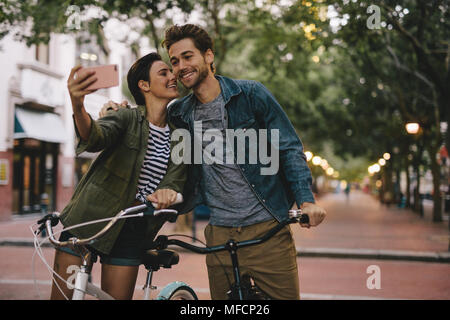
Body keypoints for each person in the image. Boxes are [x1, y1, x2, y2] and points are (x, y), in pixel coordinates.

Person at [106, 24, 327, 300]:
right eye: (174, 61)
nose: (180, 66)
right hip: (220, 236)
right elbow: (151, 120)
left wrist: (306, 201)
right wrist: (122, 112)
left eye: (188, 57)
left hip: (268, 231)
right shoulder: (180, 114)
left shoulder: (251, 95)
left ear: (208, 56)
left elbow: (289, 148)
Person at [50, 52, 181, 300]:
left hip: (133, 226)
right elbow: (96, 135)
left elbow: (175, 179)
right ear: (144, 85)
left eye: (171, 72)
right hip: (88, 218)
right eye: (163, 73)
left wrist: (168, 192)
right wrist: (77, 104)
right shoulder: (126, 117)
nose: (172, 76)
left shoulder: (178, 136)